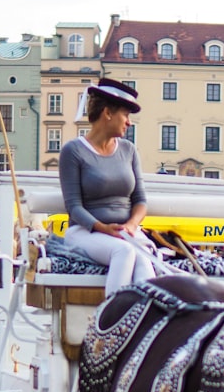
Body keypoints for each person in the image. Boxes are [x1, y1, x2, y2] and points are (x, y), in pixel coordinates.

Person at [59, 77, 154, 294]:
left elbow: (140, 200)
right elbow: (73, 206)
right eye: (126, 115)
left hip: (126, 232)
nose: (129, 122)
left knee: (144, 260)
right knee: (124, 252)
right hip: (85, 231)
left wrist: (131, 225)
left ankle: (142, 320)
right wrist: (103, 228)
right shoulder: (73, 151)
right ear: (108, 113)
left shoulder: (128, 150)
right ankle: (111, 321)